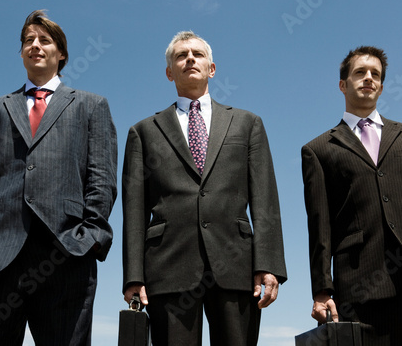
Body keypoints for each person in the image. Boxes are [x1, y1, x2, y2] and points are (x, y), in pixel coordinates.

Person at [0, 10, 117, 345]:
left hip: (67, 255)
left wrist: (88, 239)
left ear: (61, 53)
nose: (35, 45)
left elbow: (102, 180)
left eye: (44, 39)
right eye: (28, 40)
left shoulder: (91, 106)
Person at [122, 31, 287, 346]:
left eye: (197, 54)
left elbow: (265, 199)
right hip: (168, 268)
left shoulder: (247, 124)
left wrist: (268, 264)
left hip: (236, 264)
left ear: (212, 68)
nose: (189, 59)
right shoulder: (143, 132)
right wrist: (133, 276)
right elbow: (133, 210)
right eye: (181, 56)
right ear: (170, 72)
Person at [301, 46, 402, 345]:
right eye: (360, 73)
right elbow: (320, 227)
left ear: (381, 85)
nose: (368, 78)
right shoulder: (318, 150)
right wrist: (322, 290)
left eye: (375, 74)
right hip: (361, 285)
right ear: (343, 84)